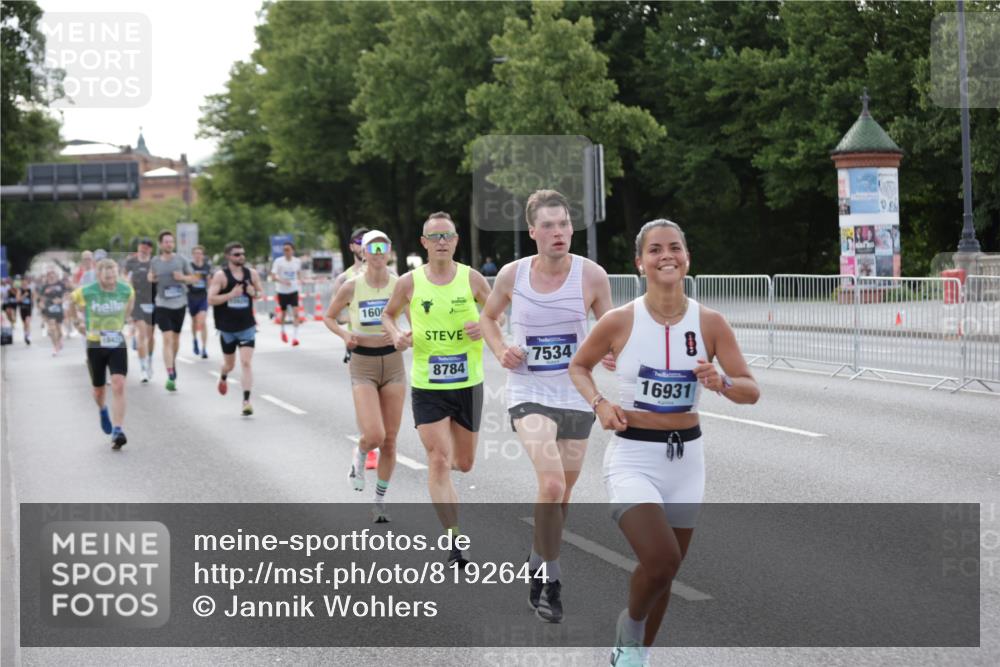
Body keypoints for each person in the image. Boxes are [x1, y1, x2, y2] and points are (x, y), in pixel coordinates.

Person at [568, 219, 760, 666]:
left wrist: (722, 380)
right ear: (640, 262)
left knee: (666, 572)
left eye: (675, 248)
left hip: (686, 459)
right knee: (659, 558)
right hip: (633, 455)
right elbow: (579, 366)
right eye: (655, 250)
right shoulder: (620, 321)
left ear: (688, 258)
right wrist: (599, 403)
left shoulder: (710, 323)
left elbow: (751, 390)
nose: (666, 256)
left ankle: (634, 656)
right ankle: (630, 631)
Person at [480, 189, 614, 624]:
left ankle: (537, 561)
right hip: (528, 391)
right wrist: (501, 348)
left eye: (564, 224)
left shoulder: (592, 275)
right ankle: (552, 580)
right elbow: (488, 318)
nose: (558, 232)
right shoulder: (512, 275)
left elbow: (610, 327)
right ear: (533, 231)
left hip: (576, 392)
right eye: (549, 225)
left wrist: (613, 351)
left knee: (563, 497)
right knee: (552, 485)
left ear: (571, 228)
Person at [381, 212, 492, 569]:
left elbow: (497, 313)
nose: (442, 241)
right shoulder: (409, 282)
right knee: (439, 460)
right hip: (428, 384)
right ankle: (455, 539)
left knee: (464, 463)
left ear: (456, 241)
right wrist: (397, 335)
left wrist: (483, 325)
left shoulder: (471, 278)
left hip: (467, 382)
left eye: (448, 235)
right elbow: (388, 314)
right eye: (435, 236)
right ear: (424, 243)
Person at [323, 230, 405, 523]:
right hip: (362, 364)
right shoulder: (351, 286)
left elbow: (418, 318)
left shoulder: (401, 284)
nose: (379, 251)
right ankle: (359, 454)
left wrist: (406, 334)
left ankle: (379, 501)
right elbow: (329, 316)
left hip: (393, 363)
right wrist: (345, 334)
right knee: (374, 434)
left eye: (384, 246)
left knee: (391, 440)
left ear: (390, 251)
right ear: (364, 253)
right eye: (373, 247)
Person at [67, 259, 135, 449]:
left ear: (117, 273)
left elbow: (130, 302)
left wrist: (126, 319)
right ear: (99, 275)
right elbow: (71, 301)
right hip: (95, 343)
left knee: (119, 384)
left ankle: (118, 430)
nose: (110, 279)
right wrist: (76, 322)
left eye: (113, 275)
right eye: (106, 276)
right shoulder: (87, 291)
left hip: (116, 340)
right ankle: (102, 409)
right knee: (98, 390)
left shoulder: (125, 289)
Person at [208, 242, 263, 416]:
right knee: (229, 365)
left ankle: (246, 401)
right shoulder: (221, 276)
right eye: (237, 254)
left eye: (242, 254)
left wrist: (253, 292)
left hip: (247, 326)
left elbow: (260, 294)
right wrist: (231, 295)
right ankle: (223, 374)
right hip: (227, 328)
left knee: (246, 362)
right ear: (228, 256)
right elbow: (211, 299)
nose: (241, 257)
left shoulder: (251, 274)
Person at [147, 230, 197, 391]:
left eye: (171, 241)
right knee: (167, 338)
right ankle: (170, 374)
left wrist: (182, 278)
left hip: (179, 303)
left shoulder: (181, 259)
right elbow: (151, 276)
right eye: (166, 242)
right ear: (160, 244)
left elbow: (194, 278)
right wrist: (151, 278)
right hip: (162, 304)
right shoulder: (155, 261)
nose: (169, 244)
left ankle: (172, 363)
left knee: (175, 339)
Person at [124, 238, 157, 382]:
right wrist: (126, 281)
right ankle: (143, 368)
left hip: (151, 300)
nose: (143, 250)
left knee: (150, 336)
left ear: (150, 250)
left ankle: (149, 361)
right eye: (141, 247)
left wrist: (154, 279)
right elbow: (123, 276)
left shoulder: (155, 262)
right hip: (136, 301)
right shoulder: (131, 262)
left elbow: (162, 279)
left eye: (146, 248)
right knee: (142, 334)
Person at [270, 241, 304, 346]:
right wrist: (282, 281)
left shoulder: (297, 261)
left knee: (296, 313)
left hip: (293, 290)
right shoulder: (278, 261)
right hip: (282, 291)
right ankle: (283, 331)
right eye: (284, 250)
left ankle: (295, 337)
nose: (286, 252)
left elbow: (298, 273)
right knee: (283, 313)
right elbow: (273, 276)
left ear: (292, 250)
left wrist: (300, 281)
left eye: (288, 249)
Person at [188, 244, 212, 358]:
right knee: (194, 322)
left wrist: (211, 292)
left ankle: (204, 348)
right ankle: (194, 340)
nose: (198, 256)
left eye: (200, 253)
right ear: (193, 255)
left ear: (203, 255)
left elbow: (209, 281)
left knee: (202, 321)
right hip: (191, 296)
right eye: (196, 254)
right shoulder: (189, 266)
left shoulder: (207, 267)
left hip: (203, 296)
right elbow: (185, 280)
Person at [39, 268, 68, 355]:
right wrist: (42, 306)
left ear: (55, 275)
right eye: (49, 274)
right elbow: (41, 299)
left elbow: (66, 295)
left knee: (59, 330)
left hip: (59, 309)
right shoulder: (44, 286)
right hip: (49, 309)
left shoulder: (61, 284)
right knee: (52, 328)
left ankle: (59, 341)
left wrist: (61, 300)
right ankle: (55, 347)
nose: (51, 276)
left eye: (52, 274)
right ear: (47, 276)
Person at [15, 274, 33, 345]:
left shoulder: (30, 290)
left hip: (28, 308)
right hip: (22, 308)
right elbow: (18, 300)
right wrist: (24, 296)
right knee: (24, 324)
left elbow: (32, 299)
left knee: (28, 322)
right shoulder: (19, 290)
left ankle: (28, 336)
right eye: (23, 283)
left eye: (26, 283)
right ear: (22, 283)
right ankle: (25, 335)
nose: (25, 284)